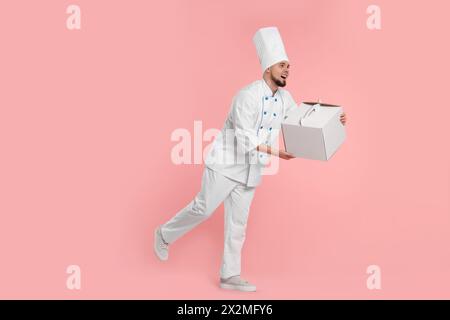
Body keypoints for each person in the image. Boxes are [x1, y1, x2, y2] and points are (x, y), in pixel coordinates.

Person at [154, 27, 347, 292]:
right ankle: (164, 234)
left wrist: (334, 119)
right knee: (203, 209)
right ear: (268, 68)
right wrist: (277, 153)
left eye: (289, 65)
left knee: (238, 224)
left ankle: (229, 275)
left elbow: (301, 121)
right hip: (225, 164)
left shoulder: (286, 98)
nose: (287, 69)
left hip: (252, 170)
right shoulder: (247, 95)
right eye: (282, 65)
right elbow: (243, 137)